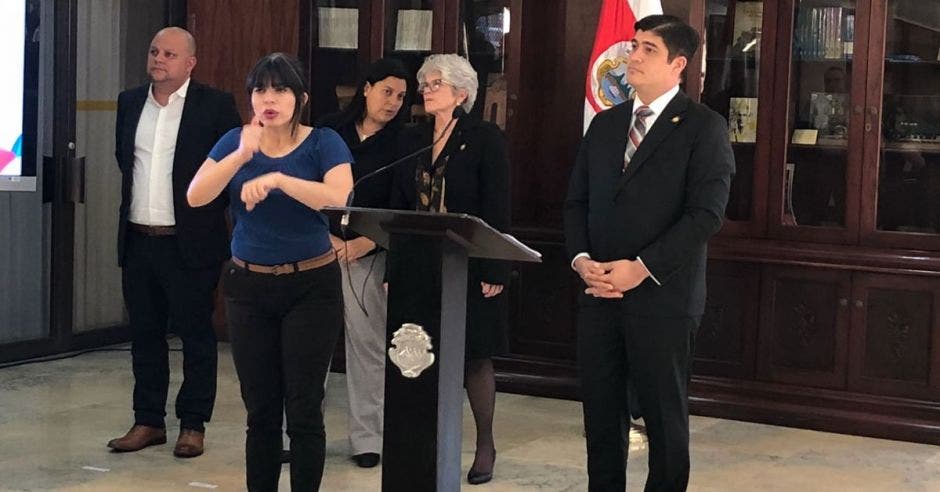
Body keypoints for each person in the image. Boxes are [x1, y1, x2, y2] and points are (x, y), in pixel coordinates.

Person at [563, 15, 734, 491]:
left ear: (678, 64)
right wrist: (581, 262)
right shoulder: (605, 123)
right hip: (598, 292)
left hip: (662, 298)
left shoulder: (704, 127)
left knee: (662, 419)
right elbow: (577, 201)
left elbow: (706, 215)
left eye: (647, 50)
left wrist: (641, 269)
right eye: (633, 45)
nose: (632, 57)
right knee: (600, 416)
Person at [187, 52, 353, 491]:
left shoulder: (324, 142)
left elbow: (338, 198)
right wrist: (242, 156)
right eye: (260, 89)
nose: (268, 98)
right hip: (248, 286)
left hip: (310, 286)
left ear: (300, 98)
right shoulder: (235, 141)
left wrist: (279, 179)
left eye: (280, 89)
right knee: (260, 410)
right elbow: (196, 196)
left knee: (303, 408)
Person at [108, 26, 241, 458]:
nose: (158, 59)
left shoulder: (216, 106)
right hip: (139, 238)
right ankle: (148, 420)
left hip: (191, 243)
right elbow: (123, 161)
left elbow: (230, 169)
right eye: (153, 51)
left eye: (169, 54)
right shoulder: (130, 102)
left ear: (190, 63)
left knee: (196, 335)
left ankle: (192, 424)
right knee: (145, 335)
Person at [389, 53, 510, 485]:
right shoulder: (410, 138)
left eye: (435, 83)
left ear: (461, 93)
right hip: (418, 265)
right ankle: (422, 440)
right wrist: (393, 267)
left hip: (472, 266)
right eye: (424, 83)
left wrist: (495, 268)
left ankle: (484, 443)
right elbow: (399, 206)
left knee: (474, 355)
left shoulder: (484, 138)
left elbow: (497, 206)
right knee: (418, 355)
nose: (426, 90)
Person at [317, 58, 411, 469]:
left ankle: (368, 438)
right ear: (367, 88)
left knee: (368, 348)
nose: (393, 102)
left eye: (402, 97)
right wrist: (327, 239)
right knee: (309, 348)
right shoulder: (328, 131)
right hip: (317, 251)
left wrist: (368, 243)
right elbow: (307, 189)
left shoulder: (403, 142)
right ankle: (301, 433)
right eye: (387, 91)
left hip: (368, 255)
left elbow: (403, 205)